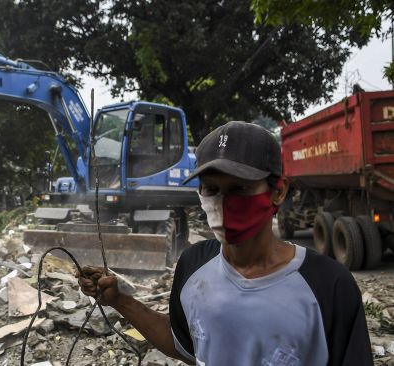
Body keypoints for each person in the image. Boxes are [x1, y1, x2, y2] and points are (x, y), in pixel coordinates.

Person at [77, 121, 373, 365]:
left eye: (240, 188)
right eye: (212, 189)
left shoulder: (329, 286)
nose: (223, 202)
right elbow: (185, 344)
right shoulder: (194, 265)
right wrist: (118, 300)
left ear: (278, 191)